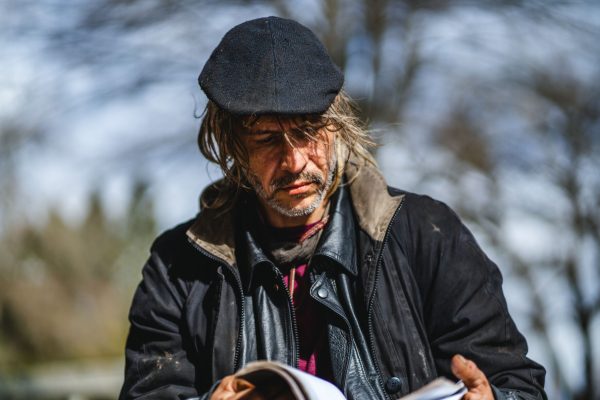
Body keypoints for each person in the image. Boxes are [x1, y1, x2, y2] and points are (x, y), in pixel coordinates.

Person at [119, 16, 546, 400]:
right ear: (232, 148)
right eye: (266, 140)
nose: (295, 162)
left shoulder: (428, 236)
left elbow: (519, 387)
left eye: (308, 131)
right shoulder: (178, 268)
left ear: (338, 125)